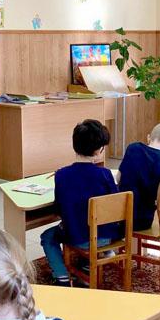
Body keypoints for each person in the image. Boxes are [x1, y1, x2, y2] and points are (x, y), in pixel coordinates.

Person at [40, 119, 119, 285]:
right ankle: (93, 261)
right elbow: (115, 206)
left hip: (77, 237)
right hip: (106, 237)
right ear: (99, 150)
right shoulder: (105, 174)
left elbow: (59, 209)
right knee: (84, 226)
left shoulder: (61, 175)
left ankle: (61, 275)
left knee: (48, 237)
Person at [118, 122, 160, 231]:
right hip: (142, 220)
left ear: (148, 137)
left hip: (119, 216)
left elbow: (118, 178)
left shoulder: (133, 148)